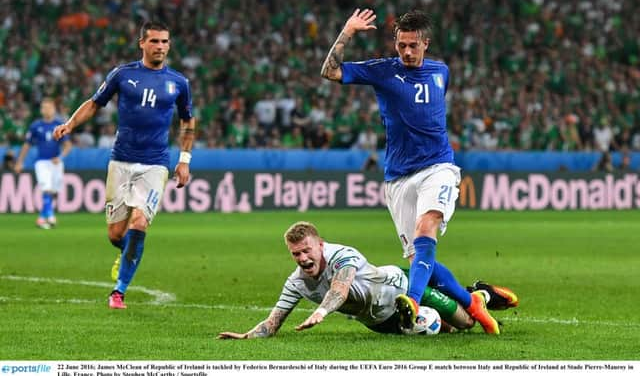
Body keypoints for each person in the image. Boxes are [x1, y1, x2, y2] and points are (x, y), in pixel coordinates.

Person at [320, 9, 500, 334]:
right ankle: (473, 301)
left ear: (425, 44)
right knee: (421, 259)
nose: (406, 52)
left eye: (412, 46)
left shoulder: (441, 71)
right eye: (401, 45)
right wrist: (347, 31)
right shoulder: (383, 71)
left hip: (438, 167)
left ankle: (413, 301)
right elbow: (329, 71)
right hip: (398, 179)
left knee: (426, 226)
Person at [53, 20, 195, 310]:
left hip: (156, 164)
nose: (160, 47)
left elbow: (187, 120)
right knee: (116, 234)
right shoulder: (123, 74)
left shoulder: (179, 82)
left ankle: (118, 292)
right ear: (141, 43)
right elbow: (95, 103)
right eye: (154, 41)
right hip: (121, 161)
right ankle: (129, 251)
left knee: (140, 222)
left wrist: (184, 159)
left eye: (165, 42)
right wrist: (70, 124)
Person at [217, 221, 518, 339]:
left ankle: (479, 295)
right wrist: (246, 337)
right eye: (295, 254)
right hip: (380, 321)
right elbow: (273, 322)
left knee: (465, 324)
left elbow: (340, 288)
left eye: (306, 250)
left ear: (320, 245)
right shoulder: (296, 282)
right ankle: (464, 301)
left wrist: (320, 312)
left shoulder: (342, 256)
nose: (302, 258)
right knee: (447, 330)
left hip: (400, 289)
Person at [14, 98, 72, 229]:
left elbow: (68, 145)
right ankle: (51, 217)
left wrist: (60, 157)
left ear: (53, 109)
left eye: (48, 107)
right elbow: (27, 145)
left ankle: (41, 217)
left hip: (56, 163)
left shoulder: (59, 124)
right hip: (42, 162)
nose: (46, 110)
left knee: (53, 191)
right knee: (46, 188)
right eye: (44, 107)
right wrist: (19, 162)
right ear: (41, 110)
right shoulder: (36, 126)